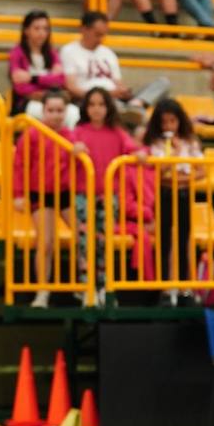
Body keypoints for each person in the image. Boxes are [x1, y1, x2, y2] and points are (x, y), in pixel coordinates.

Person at [71, 86, 142, 303]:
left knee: (104, 241)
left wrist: (141, 154)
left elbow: (133, 149)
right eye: (92, 104)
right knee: (85, 241)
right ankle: (86, 287)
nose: (96, 109)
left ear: (108, 107)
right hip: (84, 195)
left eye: (101, 104)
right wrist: (74, 148)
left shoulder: (117, 132)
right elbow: (69, 148)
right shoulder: (79, 131)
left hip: (109, 195)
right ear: (86, 108)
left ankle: (103, 286)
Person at [11, 89, 76, 308]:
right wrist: (19, 194)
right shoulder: (33, 134)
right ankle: (42, 291)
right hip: (40, 193)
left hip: (65, 193)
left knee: (85, 237)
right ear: (44, 111)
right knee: (45, 242)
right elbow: (19, 165)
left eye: (60, 110)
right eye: (51, 110)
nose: (56, 115)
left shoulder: (71, 136)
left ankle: (89, 286)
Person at [141, 98, 202, 305]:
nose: (169, 127)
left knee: (184, 239)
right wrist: (173, 154)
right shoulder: (155, 144)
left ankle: (185, 287)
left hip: (184, 194)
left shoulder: (190, 142)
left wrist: (185, 178)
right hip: (164, 194)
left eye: (172, 122)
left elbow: (201, 170)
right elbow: (158, 173)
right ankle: (165, 287)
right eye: (164, 122)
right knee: (164, 240)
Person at [60, 11, 168, 118]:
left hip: (115, 98)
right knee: (111, 106)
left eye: (103, 35)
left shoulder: (108, 52)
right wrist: (105, 95)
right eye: (97, 34)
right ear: (83, 29)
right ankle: (130, 111)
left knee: (163, 83)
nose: (101, 39)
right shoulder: (69, 51)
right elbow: (71, 87)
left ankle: (135, 104)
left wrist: (123, 91)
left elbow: (118, 83)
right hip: (90, 101)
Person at [8, 9, 75, 125]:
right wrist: (48, 80)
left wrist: (32, 78)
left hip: (52, 101)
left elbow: (60, 80)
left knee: (74, 113)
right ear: (26, 30)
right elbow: (20, 86)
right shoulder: (17, 53)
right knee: (51, 115)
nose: (42, 33)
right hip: (27, 103)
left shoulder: (52, 53)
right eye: (37, 28)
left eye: (45, 29)